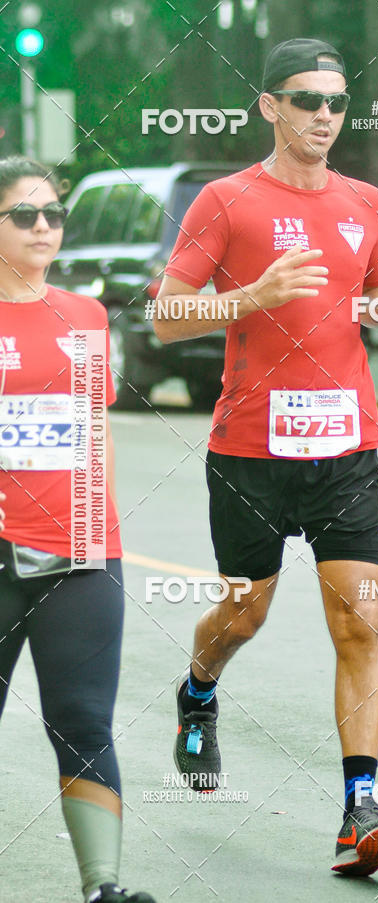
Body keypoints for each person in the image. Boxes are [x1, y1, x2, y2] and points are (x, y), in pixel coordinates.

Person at [154, 38, 378, 877]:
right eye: (306, 99)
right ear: (269, 105)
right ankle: (198, 688)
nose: (323, 115)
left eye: (337, 102)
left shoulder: (366, 201)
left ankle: (359, 807)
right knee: (245, 615)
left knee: (360, 621)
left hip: (347, 446)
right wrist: (254, 294)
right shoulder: (225, 201)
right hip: (250, 449)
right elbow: (165, 315)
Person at [0, 156, 156, 903]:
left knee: (85, 719)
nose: (42, 227)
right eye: (23, 215)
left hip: (80, 554)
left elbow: (97, 427)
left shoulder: (86, 316)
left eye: (53, 214)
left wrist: (100, 522)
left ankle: (103, 887)